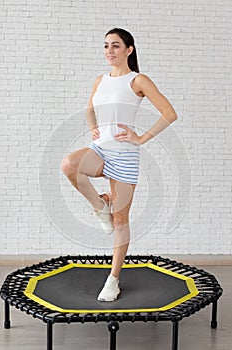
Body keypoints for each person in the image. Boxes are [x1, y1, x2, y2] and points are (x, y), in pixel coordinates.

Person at [61, 28, 178, 302]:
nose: (109, 51)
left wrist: (140, 138)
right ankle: (100, 205)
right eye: (105, 46)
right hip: (101, 149)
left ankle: (113, 279)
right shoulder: (100, 80)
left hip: (124, 156)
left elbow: (169, 113)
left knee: (120, 219)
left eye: (115, 46)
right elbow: (90, 108)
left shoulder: (138, 80)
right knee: (69, 165)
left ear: (129, 49)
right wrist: (93, 129)